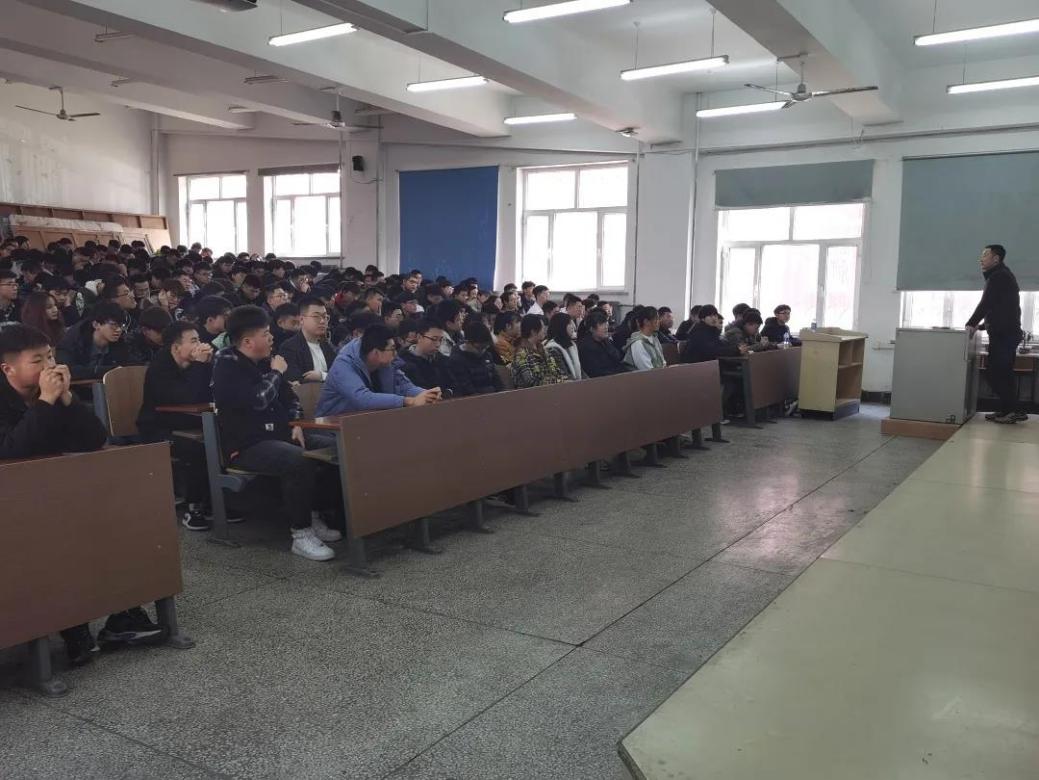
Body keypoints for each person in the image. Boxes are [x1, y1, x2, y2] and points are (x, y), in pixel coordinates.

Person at [0, 324, 163, 664]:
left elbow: (93, 438)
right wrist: (45, 401)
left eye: (50, 357)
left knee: (118, 521)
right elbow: (11, 452)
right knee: (56, 541)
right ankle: (72, 625)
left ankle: (122, 615)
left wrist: (66, 399)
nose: (49, 366)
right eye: (37, 361)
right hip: (12, 505)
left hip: (56, 493)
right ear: (8, 369)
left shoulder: (52, 394)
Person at [211, 306, 342, 561]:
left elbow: (291, 399)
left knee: (336, 446)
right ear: (248, 342)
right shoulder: (227, 365)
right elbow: (258, 399)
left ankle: (314, 515)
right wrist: (276, 372)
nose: (272, 338)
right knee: (298, 459)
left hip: (281, 434)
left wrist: (296, 424)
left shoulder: (266, 361)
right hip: (247, 445)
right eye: (265, 333)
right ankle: (301, 534)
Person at [137, 321, 215, 531]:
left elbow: (206, 393)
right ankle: (194, 507)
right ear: (176, 347)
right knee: (197, 449)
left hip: (189, 422)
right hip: (158, 428)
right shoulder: (160, 367)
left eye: (199, 340)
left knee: (220, 439)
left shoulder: (194, 364)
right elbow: (184, 397)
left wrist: (207, 365)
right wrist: (200, 365)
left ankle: (216, 502)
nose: (200, 345)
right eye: (194, 341)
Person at [318, 324, 441, 416]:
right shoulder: (344, 364)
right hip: (332, 428)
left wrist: (428, 394)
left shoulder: (386, 363)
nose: (395, 354)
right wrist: (408, 401)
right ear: (376, 353)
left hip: (369, 422)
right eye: (392, 349)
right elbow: (363, 399)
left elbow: (406, 387)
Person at [966, 244, 1026, 424]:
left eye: (985, 255)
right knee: (1002, 373)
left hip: (1005, 335)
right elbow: (1001, 309)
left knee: (996, 372)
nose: (981, 258)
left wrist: (971, 324)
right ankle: (1008, 410)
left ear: (996, 259)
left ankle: (1013, 410)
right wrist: (982, 326)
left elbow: (986, 304)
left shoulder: (999, 276)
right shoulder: (1001, 275)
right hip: (1005, 333)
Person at [56, 301, 135, 379]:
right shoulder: (73, 340)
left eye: (121, 325)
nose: (118, 330)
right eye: (113, 325)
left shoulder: (120, 342)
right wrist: (105, 371)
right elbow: (68, 369)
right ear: (96, 324)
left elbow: (127, 364)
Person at [277, 296, 337, 384]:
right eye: (316, 316)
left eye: (325, 317)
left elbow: (340, 373)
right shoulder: (289, 348)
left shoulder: (327, 345)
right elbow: (294, 380)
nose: (322, 321)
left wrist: (322, 376)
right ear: (301, 319)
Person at [399, 319, 456, 395]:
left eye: (441, 340)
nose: (438, 344)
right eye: (434, 339)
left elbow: (454, 385)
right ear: (419, 337)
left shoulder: (443, 360)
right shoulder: (405, 363)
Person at [447, 321, 504, 396]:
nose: (482, 351)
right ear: (467, 342)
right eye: (479, 348)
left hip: (493, 395)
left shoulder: (487, 355)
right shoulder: (456, 359)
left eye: (485, 348)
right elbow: (466, 388)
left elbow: (497, 380)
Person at [512, 314, 567, 388]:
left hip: (551, 389)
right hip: (532, 393)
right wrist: (558, 381)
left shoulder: (543, 349)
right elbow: (531, 382)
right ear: (533, 331)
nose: (544, 330)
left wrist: (562, 380)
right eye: (542, 328)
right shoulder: (521, 354)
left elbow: (557, 371)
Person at [681, 304, 747, 363]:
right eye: (710, 316)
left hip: (706, 364)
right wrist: (736, 350)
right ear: (703, 319)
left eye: (715, 315)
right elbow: (713, 351)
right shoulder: (699, 332)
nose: (714, 318)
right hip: (695, 366)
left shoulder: (711, 331)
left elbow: (720, 346)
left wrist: (737, 349)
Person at [577, 309, 629, 377]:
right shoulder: (586, 347)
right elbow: (597, 372)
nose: (606, 327)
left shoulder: (605, 341)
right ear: (592, 329)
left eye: (606, 324)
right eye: (601, 324)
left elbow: (618, 357)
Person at [623, 306, 666, 371]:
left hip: (658, 374)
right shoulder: (638, 343)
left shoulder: (654, 338)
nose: (659, 322)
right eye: (656, 319)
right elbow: (646, 369)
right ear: (646, 322)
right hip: (645, 376)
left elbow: (662, 361)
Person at [544, 312, 583, 380]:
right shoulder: (552, 349)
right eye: (569, 323)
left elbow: (580, 370)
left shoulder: (571, 345)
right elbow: (563, 374)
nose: (573, 327)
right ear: (561, 326)